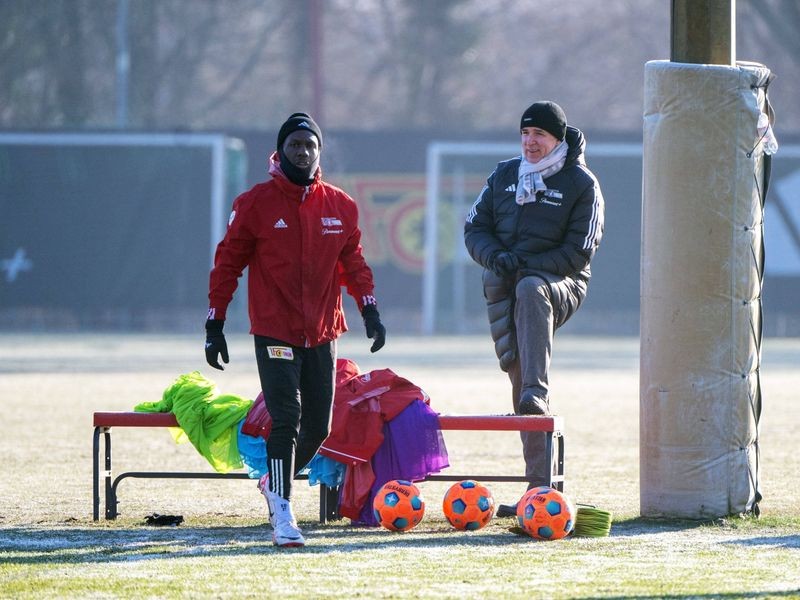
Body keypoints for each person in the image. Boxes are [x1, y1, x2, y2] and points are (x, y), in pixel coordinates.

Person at [204, 112, 386, 547]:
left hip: (323, 331)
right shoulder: (255, 204)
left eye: (310, 145)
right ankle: (283, 513)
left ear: (319, 151)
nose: (302, 152)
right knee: (286, 417)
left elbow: (354, 264)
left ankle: (272, 480)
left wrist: (370, 310)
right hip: (275, 331)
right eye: (294, 145)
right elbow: (228, 263)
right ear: (280, 151)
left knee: (319, 427)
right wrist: (216, 321)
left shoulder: (340, 205)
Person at [464, 101, 604, 516]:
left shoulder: (582, 184)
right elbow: (475, 228)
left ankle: (536, 395)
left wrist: (523, 267)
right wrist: (495, 257)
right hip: (506, 282)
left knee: (530, 291)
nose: (530, 142)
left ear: (557, 139)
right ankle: (536, 492)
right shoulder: (504, 175)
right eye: (525, 134)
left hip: (560, 282)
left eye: (539, 135)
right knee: (517, 370)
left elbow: (580, 252)